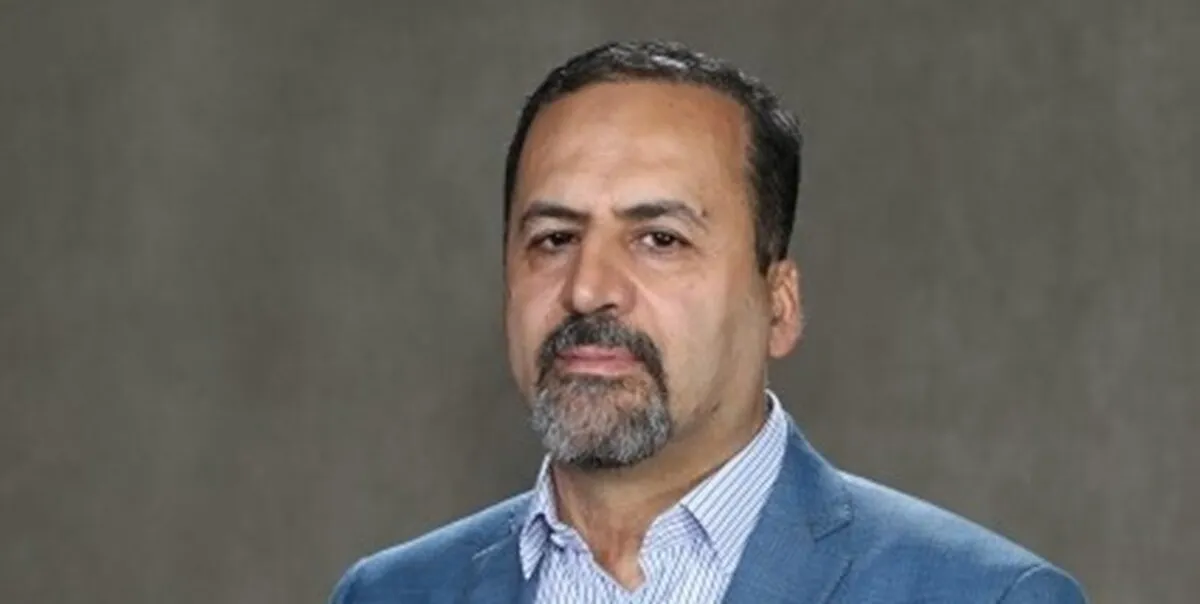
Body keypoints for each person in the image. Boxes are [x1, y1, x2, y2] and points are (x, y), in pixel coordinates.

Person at [329, 40, 1087, 603]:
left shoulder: (983, 597)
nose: (588, 288)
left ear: (779, 305)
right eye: (554, 239)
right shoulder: (388, 595)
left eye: (660, 240)